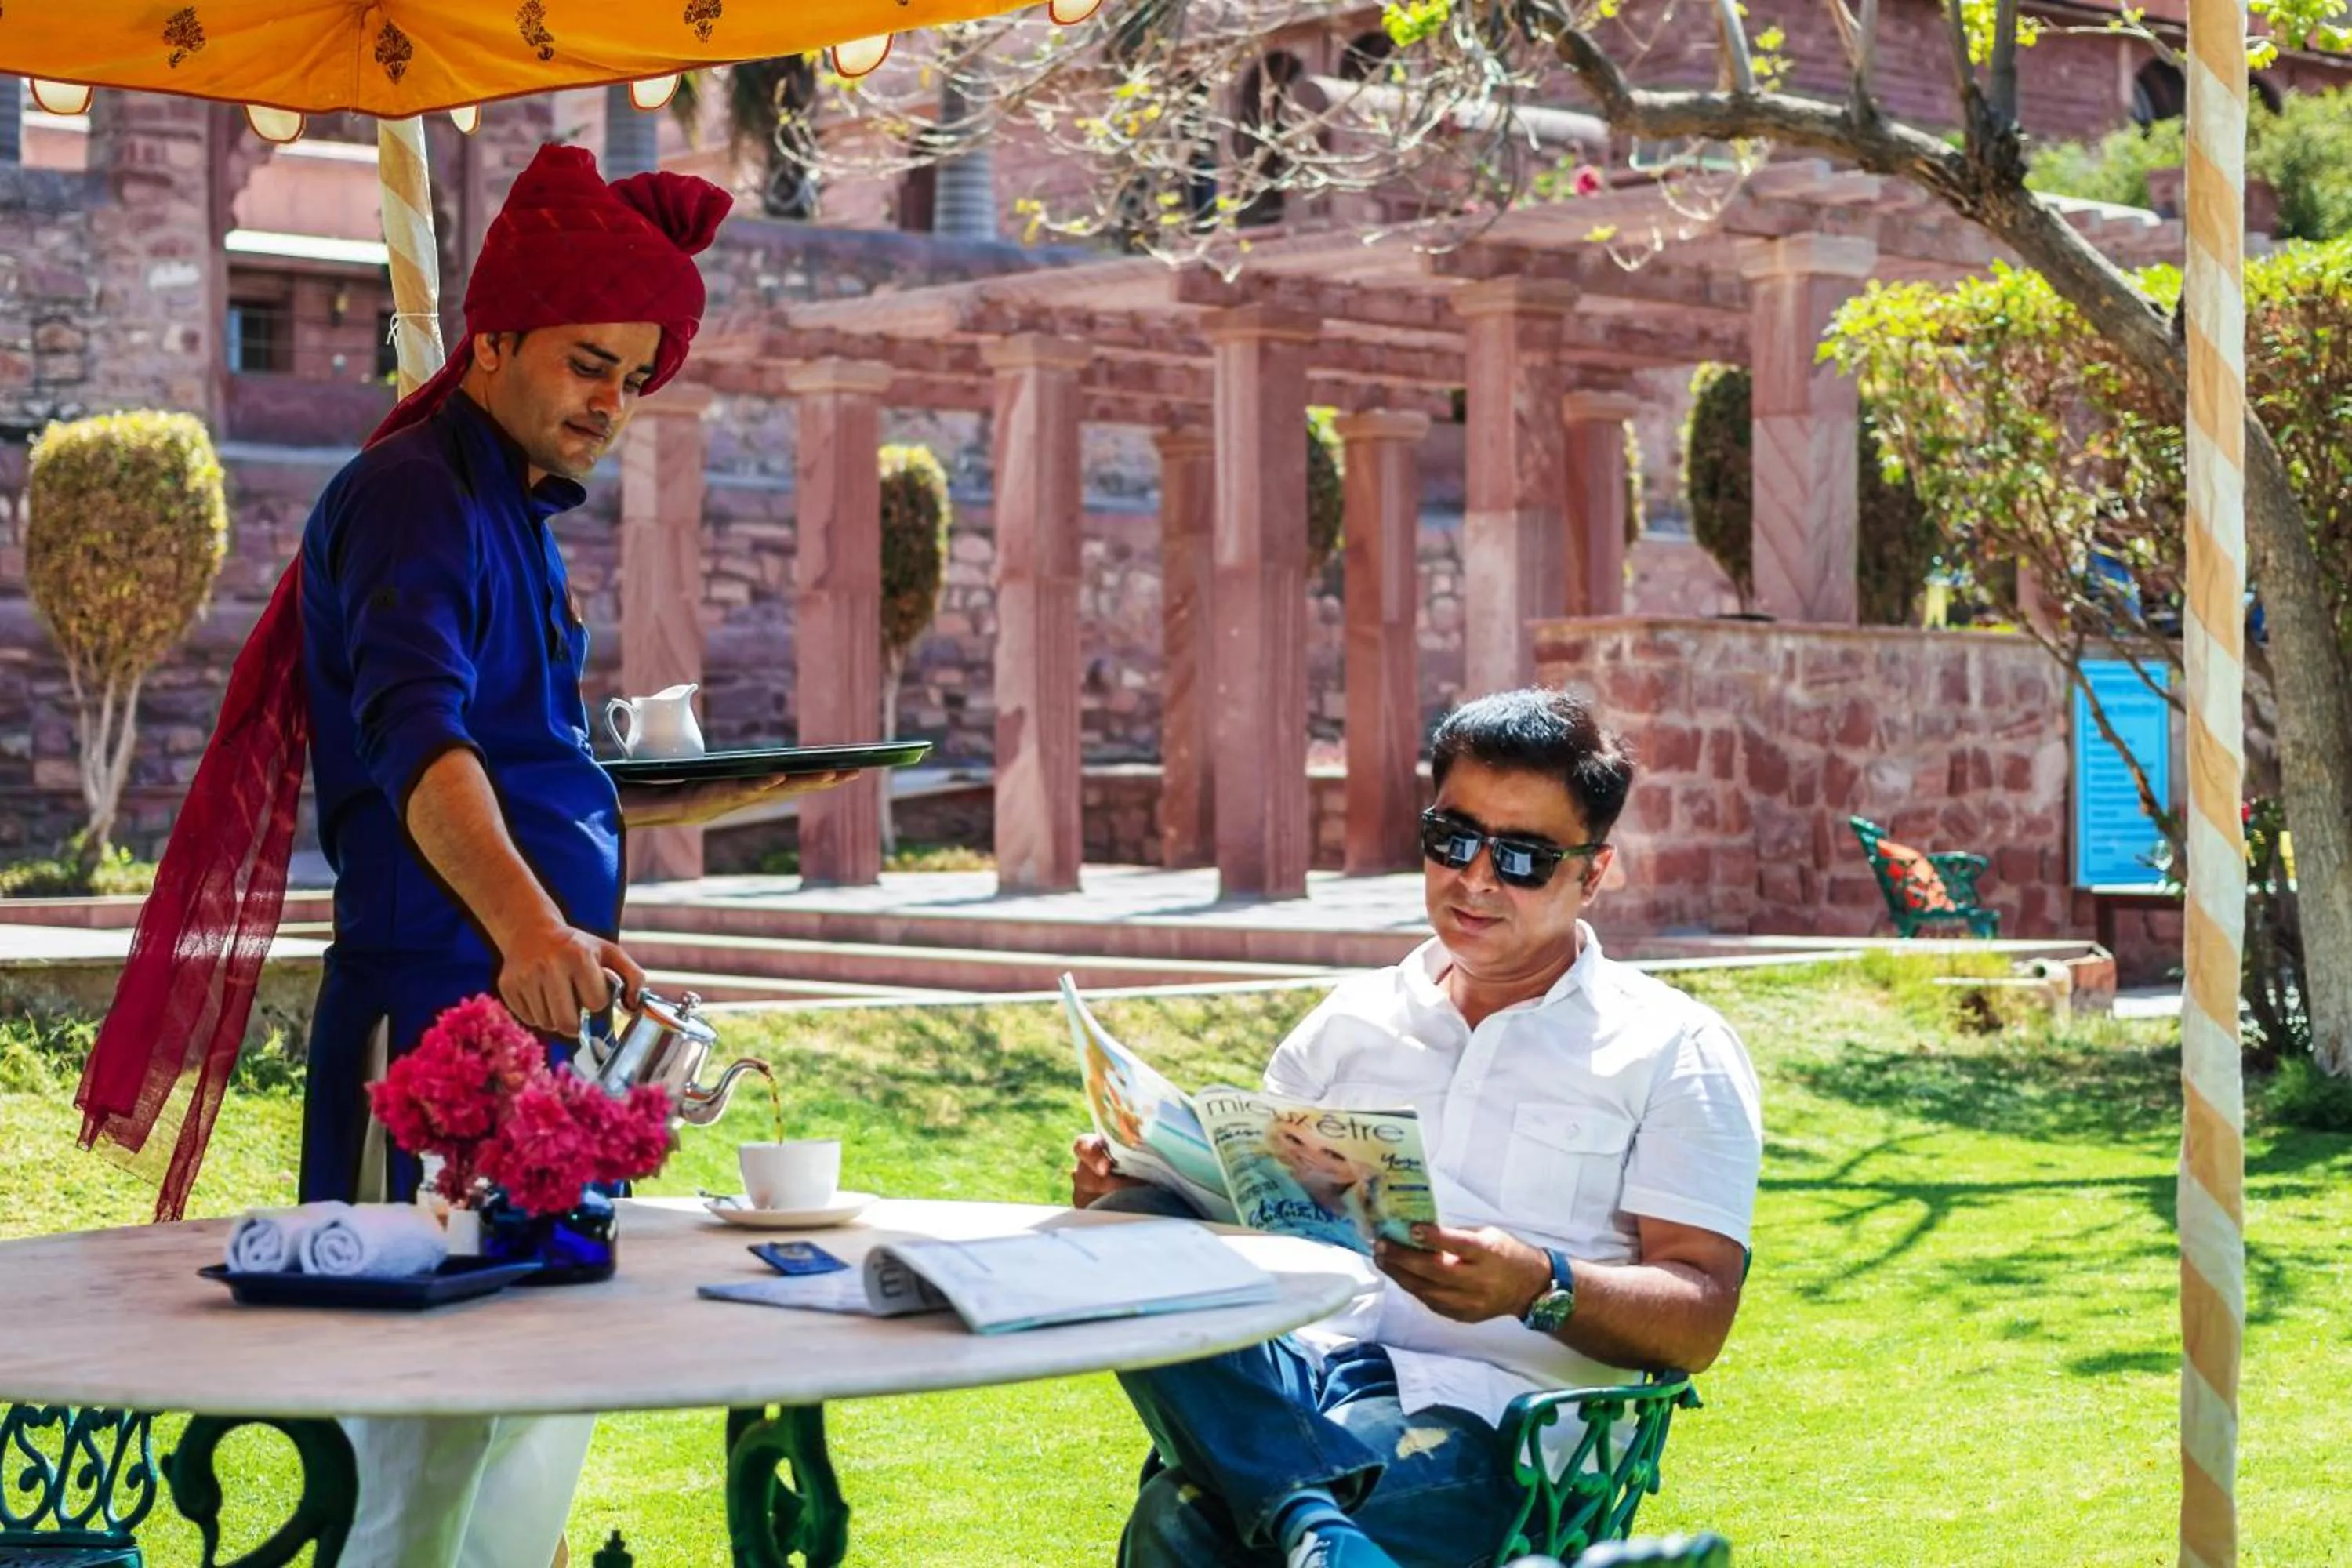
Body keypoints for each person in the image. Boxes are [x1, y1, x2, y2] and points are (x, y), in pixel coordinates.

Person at [78, 143, 846, 1568]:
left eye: (633, 377)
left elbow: (519, 764)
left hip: (529, 1031)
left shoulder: (512, 509)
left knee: (532, 1422)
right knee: (414, 1458)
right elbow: (420, 753)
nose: (610, 402)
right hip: (430, 1039)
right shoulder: (412, 497)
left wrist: (574, 907)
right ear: (491, 343)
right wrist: (532, 928)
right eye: (584, 364)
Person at [1071, 688, 1762, 1568]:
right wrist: (1149, 1178)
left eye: (1524, 857)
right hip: (1301, 1384)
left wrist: (1537, 1283)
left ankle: (1297, 1511)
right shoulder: (1348, 1022)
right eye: (1453, 838)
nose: (1475, 878)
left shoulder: (1672, 1047)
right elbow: (1257, 1229)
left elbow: (1700, 1317)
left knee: (1184, 1517)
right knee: (1134, 1223)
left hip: (1497, 1427)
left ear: (1593, 873)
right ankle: (1312, 1520)